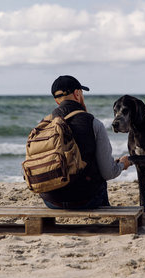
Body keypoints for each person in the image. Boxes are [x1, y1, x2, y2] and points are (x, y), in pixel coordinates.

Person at [40, 75, 132, 209]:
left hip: (52, 201)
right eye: (82, 93)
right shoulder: (93, 123)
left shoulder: (45, 123)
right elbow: (108, 173)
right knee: (100, 180)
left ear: (57, 100)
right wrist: (123, 163)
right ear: (77, 94)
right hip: (84, 200)